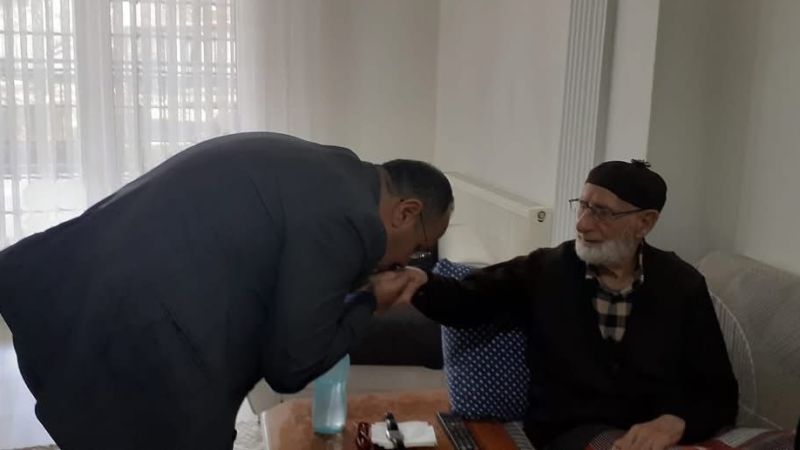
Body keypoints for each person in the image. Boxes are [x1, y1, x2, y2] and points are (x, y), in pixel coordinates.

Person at [0, 132, 453, 450]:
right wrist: (370, 302)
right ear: (405, 211)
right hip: (145, 332)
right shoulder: (350, 219)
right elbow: (292, 365)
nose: (407, 261)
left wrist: (359, 285)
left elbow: (299, 271)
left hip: (79, 279)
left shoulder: (335, 171)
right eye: (418, 247)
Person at [389, 160, 738, 450]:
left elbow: (719, 393)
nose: (583, 224)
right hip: (569, 432)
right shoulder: (546, 270)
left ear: (644, 222)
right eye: (582, 205)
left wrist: (675, 421)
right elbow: (466, 301)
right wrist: (417, 281)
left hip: (656, 437)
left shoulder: (681, 284)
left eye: (602, 213)